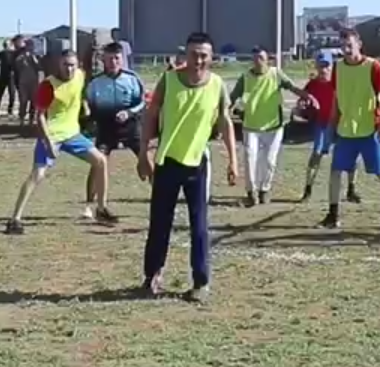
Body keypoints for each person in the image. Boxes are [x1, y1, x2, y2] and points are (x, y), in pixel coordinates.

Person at [138, 32, 240, 301]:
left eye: (204, 55)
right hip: (167, 162)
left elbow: (225, 122)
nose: (198, 61)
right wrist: (143, 154)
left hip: (197, 165)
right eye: (194, 54)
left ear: (211, 57)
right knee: (159, 223)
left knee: (199, 225)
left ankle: (200, 282)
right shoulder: (169, 80)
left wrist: (233, 160)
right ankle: (152, 275)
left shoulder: (217, 84)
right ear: (186, 55)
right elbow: (151, 116)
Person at [6, 48, 112, 233]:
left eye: (72, 65)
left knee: (101, 161)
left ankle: (101, 209)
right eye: (65, 65)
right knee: (38, 175)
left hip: (72, 134)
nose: (69, 69)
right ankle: (15, 219)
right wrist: (48, 143)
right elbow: (40, 117)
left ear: (77, 65)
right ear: (59, 65)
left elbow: (79, 92)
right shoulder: (48, 86)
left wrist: (84, 105)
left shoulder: (80, 75)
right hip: (52, 134)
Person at [321, 28, 380, 231]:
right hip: (346, 130)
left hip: (370, 129)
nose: (346, 49)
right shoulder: (338, 68)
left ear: (359, 44)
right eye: (342, 46)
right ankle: (333, 214)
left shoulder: (372, 66)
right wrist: (332, 125)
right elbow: (336, 98)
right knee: (335, 171)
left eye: (349, 45)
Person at [228, 48, 303, 207]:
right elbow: (233, 97)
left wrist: (307, 96)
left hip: (273, 126)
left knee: (270, 160)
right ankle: (251, 192)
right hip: (251, 126)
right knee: (250, 159)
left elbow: (292, 87)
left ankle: (265, 189)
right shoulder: (245, 77)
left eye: (261, 57)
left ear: (267, 59)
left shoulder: (276, 74)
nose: (258, 61)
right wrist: (223, 110)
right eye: (255, 58)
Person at [84, 42, 145, 208]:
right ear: (103, 59)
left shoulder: (132, 79)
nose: (113, 62)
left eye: (116, 58)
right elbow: (88, 104)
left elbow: (142, 103)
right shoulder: (95, 82)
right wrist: (89, 116)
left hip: (130, 127)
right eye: (109, 59)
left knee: (146, 159)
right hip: (106, 128)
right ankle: (89, 204)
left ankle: (161, 196)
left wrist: (130, 113)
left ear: (122, 60)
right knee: (97, 162)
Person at [298, 52, 354, 204]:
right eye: (321, 65)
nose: (324, 69)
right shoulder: (313, 84)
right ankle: (308, 189)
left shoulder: (339, 82)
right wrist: (302, 105)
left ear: (331, 66)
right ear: (316, 66)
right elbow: (303, 99)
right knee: (316, 154)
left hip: (341, 123)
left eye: (326, 65)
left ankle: (351, 188)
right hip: (322, 124)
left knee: (348, 156)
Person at [12, 38, 42, 124]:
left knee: (33, 101)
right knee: (23, 101)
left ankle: (31, 119)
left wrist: (33, 58)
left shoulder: (36, 55)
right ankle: (21, 118)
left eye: (31, 45)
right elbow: (16, 66)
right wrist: (22, 60)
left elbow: (39, 67)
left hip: (34, 82)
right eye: (28, 45)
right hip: (23, 82)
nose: (30, 47)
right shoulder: (21, 55)